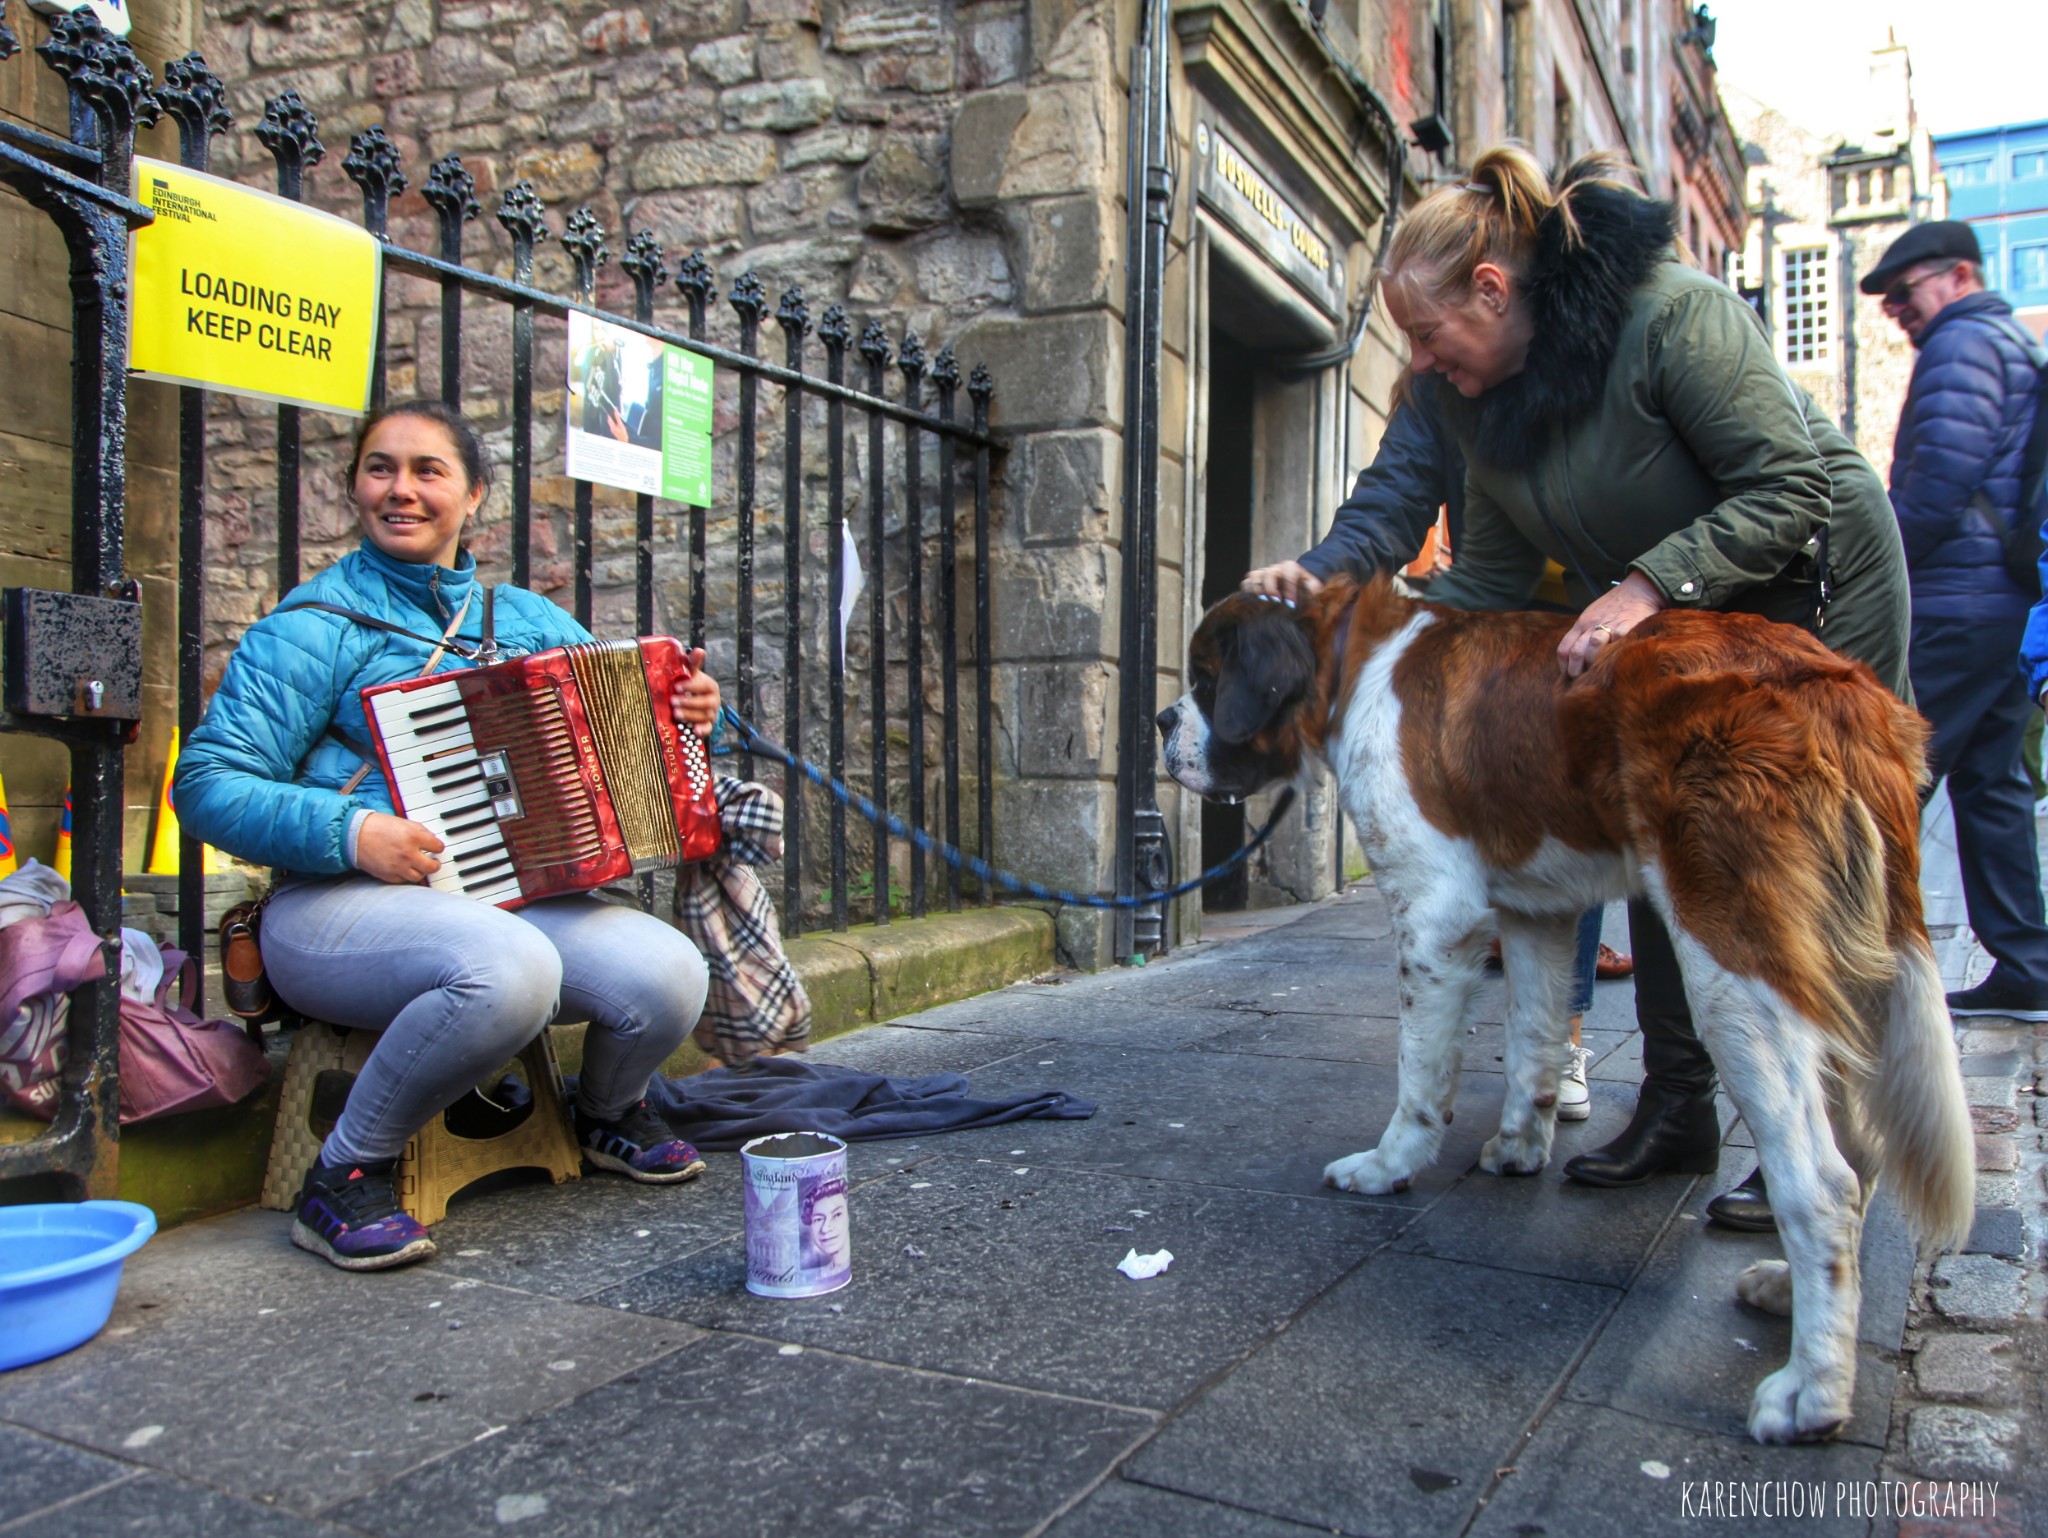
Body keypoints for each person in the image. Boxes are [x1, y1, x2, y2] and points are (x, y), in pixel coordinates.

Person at [1363, 146, 1912, 1230]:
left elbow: (1790, 483)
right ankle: (1677, 1108)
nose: (1419, 364)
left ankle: (1827, 1151)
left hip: (1812, 582)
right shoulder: (1495, 394)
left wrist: (1643, 585)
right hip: (1681, 603)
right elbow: (1490, 580)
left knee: (1789, 868)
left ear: (1491, 289)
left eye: (1425, 336)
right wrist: (1356, 623)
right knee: (1667, 837)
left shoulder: (1673, 315)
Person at [177, 400, 718, 1273]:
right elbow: (204, 787)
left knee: (669, 972)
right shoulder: (313, 629)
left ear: (474, 498)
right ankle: (346, 1172)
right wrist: (354, 832)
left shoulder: (531, 623)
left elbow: (646, 745)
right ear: (354, 487)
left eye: (428, 471)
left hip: (499, 896)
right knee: (510, 969)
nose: (401, 490)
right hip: (334, 906)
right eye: (380, 468)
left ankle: (608, 1112)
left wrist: (695, 718)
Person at [1242, 374, 1630, 1121]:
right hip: (1500, 614)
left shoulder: (1559, 361)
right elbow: (1389, 504)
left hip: (1620, 606)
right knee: (1547, 849)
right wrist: (1322, 569)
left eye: (1427, 332)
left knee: (1648, 850)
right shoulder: (1435, 389)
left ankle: (1681, 1085)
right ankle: (1557, 1053)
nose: (1420, 351)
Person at [1864, 220, 2048, 1021]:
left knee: (1881, 772)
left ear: (1960, 275)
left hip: (1956, 603)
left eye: (1907, 292)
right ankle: (2028, 963)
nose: (1899, 310)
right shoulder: (2008, 341)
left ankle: (1868, 968)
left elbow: (1934, 483)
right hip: (2005, 603)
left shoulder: (1963, 345)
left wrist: (1876, 566)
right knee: (1992, 784)